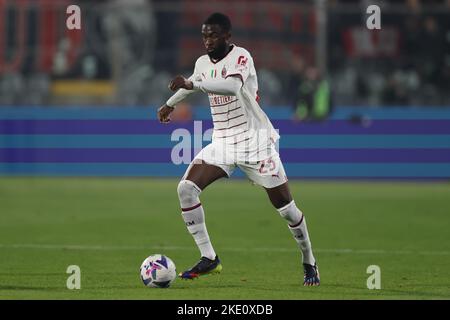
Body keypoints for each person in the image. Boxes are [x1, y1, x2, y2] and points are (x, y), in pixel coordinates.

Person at [157, 13, 320, 286]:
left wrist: (191, 83)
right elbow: (193, 83)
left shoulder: (241, 57)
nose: (208, 41)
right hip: (223, 141)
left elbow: (231, 86)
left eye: (214, 35)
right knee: (186, 188)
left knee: (286, 209)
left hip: (255, 142)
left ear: (227, 36)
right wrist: (170, 103)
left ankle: (309, 259)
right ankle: (209, 257)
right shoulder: (201, 63)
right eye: (204, 35)